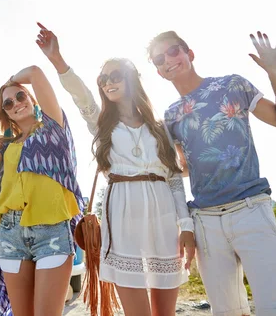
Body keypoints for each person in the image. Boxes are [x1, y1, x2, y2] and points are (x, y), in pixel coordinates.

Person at [37, 23, 194, 316]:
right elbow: (81, 96)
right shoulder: (101, 123)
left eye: (115, 76)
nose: (108, 82)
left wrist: (185, 226)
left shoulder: (160, 127)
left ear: (132, 78)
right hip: (122, 211)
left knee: (165, 313)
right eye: (103, 78)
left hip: (163, 214)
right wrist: (57, 60)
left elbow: (173, 178)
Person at [148, 30, 276, 316]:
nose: (168, 60)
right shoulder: (170, 117)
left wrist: (275, 72)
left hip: (251, 209)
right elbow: (183, 166)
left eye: (173, 51)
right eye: (159, 58)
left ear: (189, 53)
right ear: (158, 71)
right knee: (227, 311)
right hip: (206, 222)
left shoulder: (233, 85)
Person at [0, 61, 85, 316]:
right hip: (11, 233)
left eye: (20, 96)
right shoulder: (6, 146)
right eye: (7, 104)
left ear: (32, 99)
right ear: (5, 113)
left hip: (51, 230)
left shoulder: (54, 130)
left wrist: (8, 83)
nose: (16, 103)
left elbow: (34, 72)